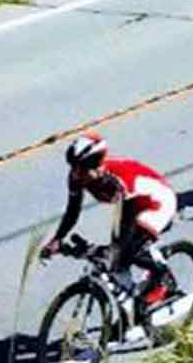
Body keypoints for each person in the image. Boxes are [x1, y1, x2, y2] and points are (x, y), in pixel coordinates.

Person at [42, 132, 181, 310]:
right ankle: (132, 311)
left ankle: (162, 278)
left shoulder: (118, 180)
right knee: (116, 263)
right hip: (131, 207)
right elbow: (72, 210)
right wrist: (57, 239)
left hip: (157, 203)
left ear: (98, 166)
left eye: (82, 169)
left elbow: (129, 221)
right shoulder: (76, 177)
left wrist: (114, 251)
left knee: (128, 250)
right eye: (73, 167)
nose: (77, 174)